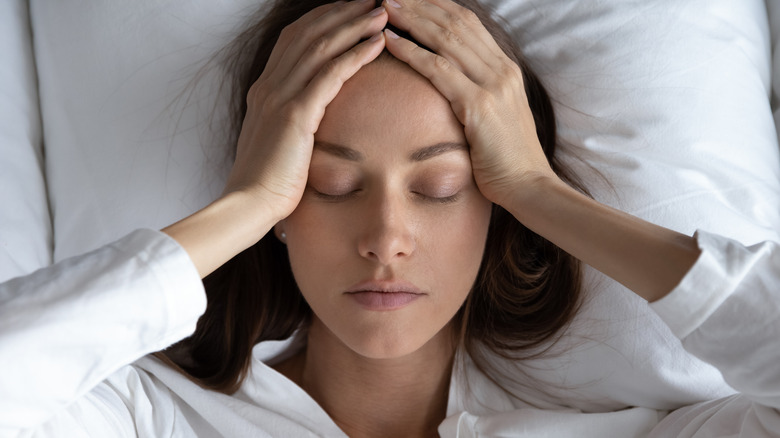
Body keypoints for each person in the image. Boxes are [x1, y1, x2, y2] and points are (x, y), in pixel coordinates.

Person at [0, 0, 778, 436]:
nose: (384, 241)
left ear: (494, 208)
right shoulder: (151, 419)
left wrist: (541, 196)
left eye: (439, 187)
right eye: (331, 184)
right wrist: (244, 207)